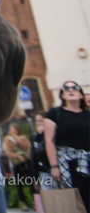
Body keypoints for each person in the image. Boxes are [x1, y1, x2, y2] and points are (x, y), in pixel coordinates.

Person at [43, 81, 89, 212]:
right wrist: (54, 166)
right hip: (69, 164)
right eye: (66, 88)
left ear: (81, 95)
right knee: (79, 202)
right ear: (62, 96)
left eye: (74, 87)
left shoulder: (88, 114)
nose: (70, 90)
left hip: (88, 161)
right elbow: (49, 141)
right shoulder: (55, 113)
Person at [3, 122, 35, 209]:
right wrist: (16, 156)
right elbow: (7, 152)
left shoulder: (23, 137)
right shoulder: (7, 139)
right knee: (19, 183)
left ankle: (34, 201)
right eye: (11, 129)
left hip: (26, 162)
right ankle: (23, 203)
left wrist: (17, 139)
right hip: (16, 163)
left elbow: (27, 147)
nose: (12, 130)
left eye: (14, 128)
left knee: (31, 181)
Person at [32, 113, 56, 190]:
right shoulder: (34, 137)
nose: (38, 123)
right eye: (36, 121)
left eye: (40, 120)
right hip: (42, 171)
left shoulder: (53, 133)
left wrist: (43, 134)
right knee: (48, 194)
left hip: (53, 168)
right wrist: (35, 178)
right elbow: (34, 157)